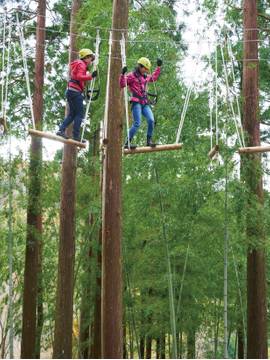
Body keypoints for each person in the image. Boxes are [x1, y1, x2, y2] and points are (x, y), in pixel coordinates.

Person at [119, 57, 162, 148]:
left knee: (151, 120)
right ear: (140, 67)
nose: (146, 71)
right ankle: (128, 142)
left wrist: (158, 67)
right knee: (137, 123)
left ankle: (148, 140)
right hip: (136, 103)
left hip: (145, 103)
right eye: (145, 69)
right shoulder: (131, 76)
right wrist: (122, 74)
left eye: (147, 69)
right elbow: (122, 84)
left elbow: (154, 77)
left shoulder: (145, 76)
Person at [57, 48, 97, 142]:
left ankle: (61, 130)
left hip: (71, 91)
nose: (91, 61)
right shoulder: (82, 64)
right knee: (79, 114)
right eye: (91, 58)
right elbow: (79, 77)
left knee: (72, 114)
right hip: (75, 92)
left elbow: (78, 79)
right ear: (86, 57)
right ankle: (76, 136)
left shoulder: (78, 64)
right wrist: (91, 76)